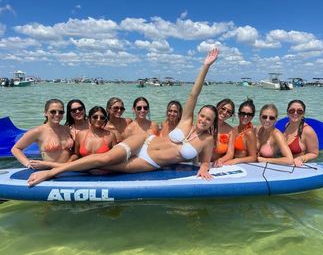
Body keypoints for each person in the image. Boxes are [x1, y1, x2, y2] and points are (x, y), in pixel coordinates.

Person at [28, 48, 220, 186]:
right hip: (144, 141)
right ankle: (51, 172)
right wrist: (205, 67)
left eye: (208, 119)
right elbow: (193, 95)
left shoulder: (207, 139)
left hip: (150, 163)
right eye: (202, 116)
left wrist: (204, 167)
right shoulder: (187, 122)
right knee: (104, 159)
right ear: (198, 115)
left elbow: (205, 159)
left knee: (104, 168)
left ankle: (50, 164)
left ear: (212, 122)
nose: (203, 120)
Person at [11, 99, 74, 169]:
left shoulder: (67, 129)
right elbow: (16, 149)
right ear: (45, 113)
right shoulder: (38, 131)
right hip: (50, 170)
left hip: (69, 168)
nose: (57, 114)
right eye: (53, 111)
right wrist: (28, 164)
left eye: (61, 112)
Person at [283, 100, 319, 166]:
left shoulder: (307, 131)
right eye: (292, 111)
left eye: (299, 111)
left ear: (303, 114)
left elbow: (314, 153)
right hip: (284, 163)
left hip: (297, 167)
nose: (295, 113)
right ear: (287, 113)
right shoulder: (287, 125)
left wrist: (301, 158)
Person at [223, 99, 257, 164]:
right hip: (230, 163)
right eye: (243, 113)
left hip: (241, 165)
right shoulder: (234, 129)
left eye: (249, 114)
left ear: (252, 117)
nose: (245, 116)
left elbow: (253, 157)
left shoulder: (249, 133)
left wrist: (236, 160)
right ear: (238, 114)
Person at [212, 99, 235, 167]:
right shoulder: (205, 124)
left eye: (229, 112)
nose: (225, 112)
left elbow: (230, 153)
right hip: (199, 163)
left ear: (230, 115)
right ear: (217, 107)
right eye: (223, 108)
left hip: (216, 164)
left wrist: (221, 160)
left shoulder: (231, 131)